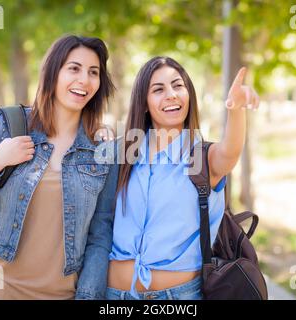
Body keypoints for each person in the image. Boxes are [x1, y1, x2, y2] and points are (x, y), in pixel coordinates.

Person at [0, 34, 118, 300]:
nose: (84, 80)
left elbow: (100, 234)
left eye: (93, 72)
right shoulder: (10, 124)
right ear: (53, 72)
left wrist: (88, 296)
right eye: (74, 68)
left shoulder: (103, 150)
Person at [106, 56, 259, 300]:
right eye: (158, 89)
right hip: (114, 297)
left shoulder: (203, 158)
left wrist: (235, 109)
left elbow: (229, 152)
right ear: (144, 103)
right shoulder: (123, 155)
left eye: (178, 86)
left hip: (177, 298)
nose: (171, 94)